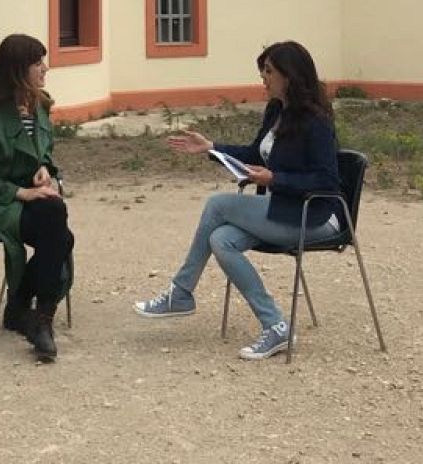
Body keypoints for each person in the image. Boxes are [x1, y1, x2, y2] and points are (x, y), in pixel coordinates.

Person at [134, 40, 343, 360]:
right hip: (281, 211)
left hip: (313, 216)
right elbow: (252, 154)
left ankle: (182, 293)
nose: (263, 77)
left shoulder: (316, 121)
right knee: (221, 239)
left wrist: (275, 179)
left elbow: (328, 180)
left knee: (218, 205)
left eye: (269, 71)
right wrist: (212, 148)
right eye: (263, 70)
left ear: (290, 75)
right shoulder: (277, 110)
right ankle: (276, 327)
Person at [0, 32, 74, 362]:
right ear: (18, 70)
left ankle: (34, 316)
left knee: (55, 222)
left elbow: (44, 154)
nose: (45, 69)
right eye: (37, 63)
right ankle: (30, 313)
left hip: (27, 198)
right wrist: (20, 192)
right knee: (59, 232)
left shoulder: (39, 106)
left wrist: (44, 170)